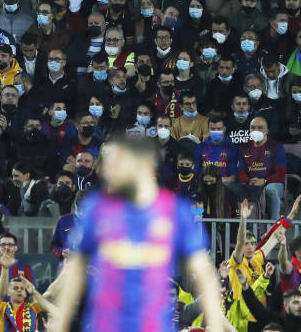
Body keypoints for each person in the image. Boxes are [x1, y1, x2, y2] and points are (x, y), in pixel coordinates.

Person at [49, 136, 226, 332]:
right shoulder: (96, 208)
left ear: (144, 166)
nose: (108, 171)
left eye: (118, 165)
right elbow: (74, 272)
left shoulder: (177, 211)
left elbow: (204, 275)